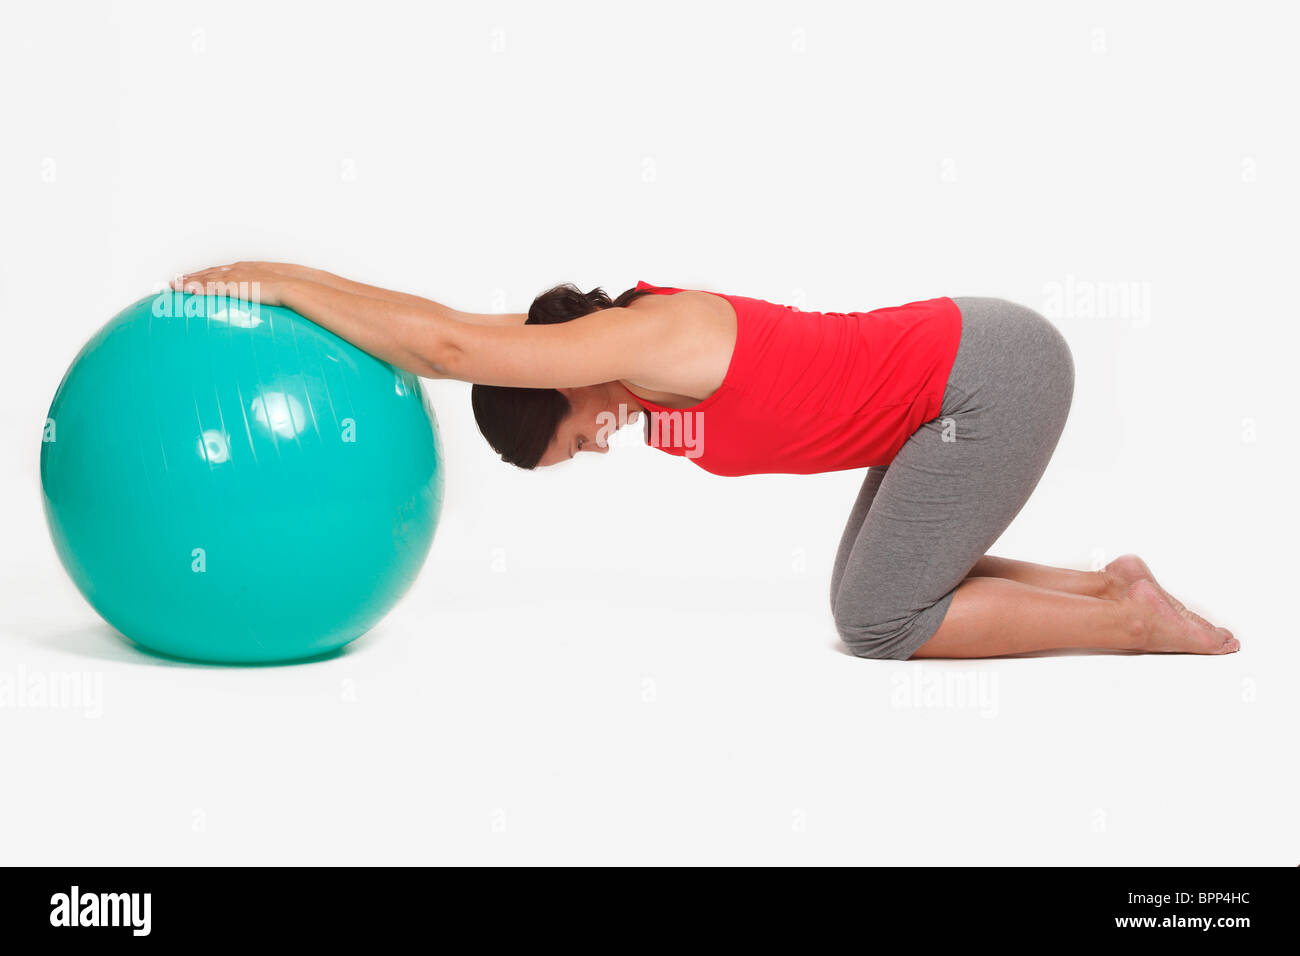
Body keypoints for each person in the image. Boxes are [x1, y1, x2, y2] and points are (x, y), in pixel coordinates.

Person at [173, 262, 1238, 660]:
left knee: (878, 620)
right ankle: (1106, 582)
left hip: (982, 380)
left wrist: (269, 283)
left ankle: (1126, 623)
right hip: (943, 386)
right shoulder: (605, 355)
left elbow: (448, 351)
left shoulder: (639, 343)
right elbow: (439, 322)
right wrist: (289, 273)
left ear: (564, 378)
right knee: (866, 591)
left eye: (574, 434)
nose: (601, 440)